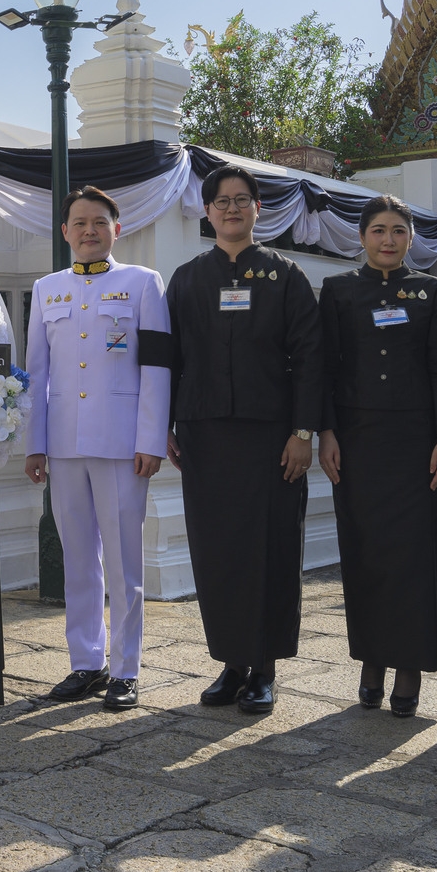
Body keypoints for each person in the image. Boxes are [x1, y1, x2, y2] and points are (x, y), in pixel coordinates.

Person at [165, 163, 322, 716]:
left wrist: (303, 432)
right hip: (205, 435)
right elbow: (172, 360)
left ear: (258, 208)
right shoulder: (186, 278)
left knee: (272, 548)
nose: (231, 208)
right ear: (207, 212)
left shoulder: (286, 277)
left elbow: (309, 360)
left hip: (272, 440)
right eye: (221, 201)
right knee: (219, 551)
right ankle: (232, 663)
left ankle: (265, 669)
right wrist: (163, 425)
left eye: (242, 199)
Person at [26, 185, 173, 712]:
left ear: (117, 228)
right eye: (79, 223)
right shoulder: (47, 289)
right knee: (78, 559)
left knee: (122, 559)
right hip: (64, 445)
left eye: (99, 222)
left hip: (121, 445)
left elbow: (157, 368)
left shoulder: (142, 284)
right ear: (64, 232)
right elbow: (38, 375)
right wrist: (35, 444)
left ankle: (126, 669)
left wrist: (150, 438)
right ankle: (85, 662)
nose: (89, 231)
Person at [318, 194, 437, 717]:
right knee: (366, 553)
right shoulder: (337, 291)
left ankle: (409, 667)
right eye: (379, 230)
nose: (388, 240)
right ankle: (371, 660)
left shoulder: (431, 291)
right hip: (356, 440)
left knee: (415, 556)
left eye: (399, 231)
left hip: (416, 442)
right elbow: (325, 369)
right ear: (362, 236)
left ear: (411, 237)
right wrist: (326, 431)